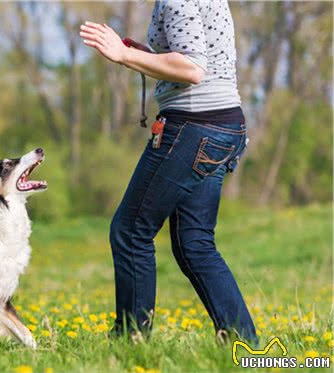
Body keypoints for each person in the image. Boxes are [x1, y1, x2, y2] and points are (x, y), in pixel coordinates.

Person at [79, 0, 257, 342]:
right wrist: (145, 54)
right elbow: (197, 58)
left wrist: (124, 55)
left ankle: (132, 341)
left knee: (130, 231)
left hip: (194, 127)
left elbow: (192, 68)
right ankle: (243, 343)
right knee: (195, 243)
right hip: (223, 125)